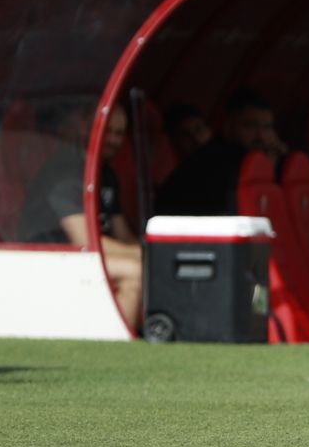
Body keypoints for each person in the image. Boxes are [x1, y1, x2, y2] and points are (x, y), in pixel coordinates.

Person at [17, 101, 142, 333]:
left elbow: (122, 234)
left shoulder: (106, 174)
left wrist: (154, 256)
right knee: (135, 270)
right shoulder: (64, 172)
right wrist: (145, 255)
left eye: (119, 133)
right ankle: (116, 351)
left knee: (150, 266)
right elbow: (85, 240)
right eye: (109, 130)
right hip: (51, 257)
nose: (114, 139)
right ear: (87, 127)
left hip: (85, 256)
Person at [154, 88, 286, 215]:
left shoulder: (256, 156)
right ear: (228, 125)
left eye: (267, 127)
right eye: (250, 126)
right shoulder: (216, 162)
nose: (261, 136)